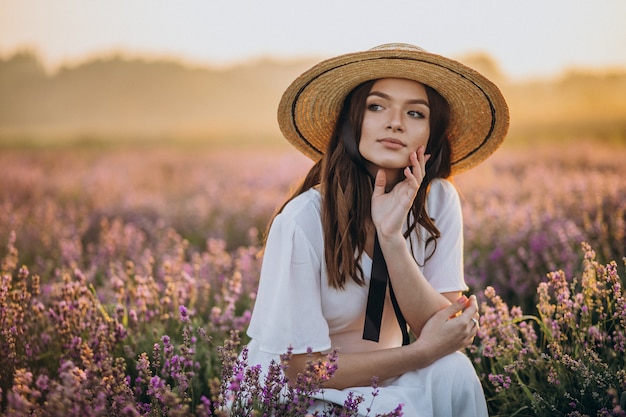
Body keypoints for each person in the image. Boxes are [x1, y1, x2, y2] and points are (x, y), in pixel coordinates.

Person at [244, 43, 509, 416]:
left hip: (390, 375)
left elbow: (445, 331)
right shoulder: (301, 222)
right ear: (353, 120)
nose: (395, 122)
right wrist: (419, 353)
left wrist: (391, 238)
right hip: (301, 394)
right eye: (376, 106)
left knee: (454, 372)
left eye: (415, 113)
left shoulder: (439, 202)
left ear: (431, 135)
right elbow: (301, 371)